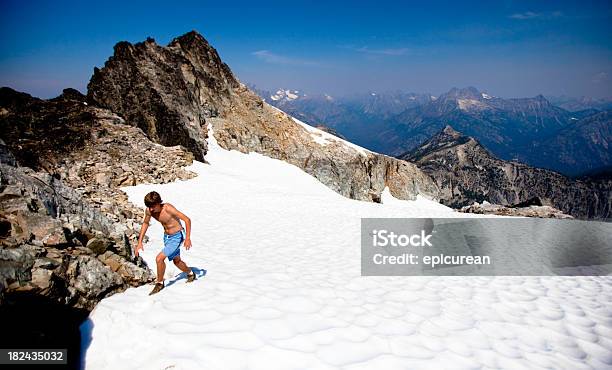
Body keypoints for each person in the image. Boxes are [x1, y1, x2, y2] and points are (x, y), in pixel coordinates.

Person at [135, 191, 196, 295]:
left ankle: (159, 283)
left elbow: (187, 220)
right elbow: (145, 223)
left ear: (159, 203)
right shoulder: (149, 210)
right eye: (149, 207)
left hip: (177, 237)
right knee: (176, 261)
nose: (151, 209)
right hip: (167, 237)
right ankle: (190, 273)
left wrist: (188, 238)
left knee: (159, 258)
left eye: (153, 206)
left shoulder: (168, 208)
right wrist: (139, 243)